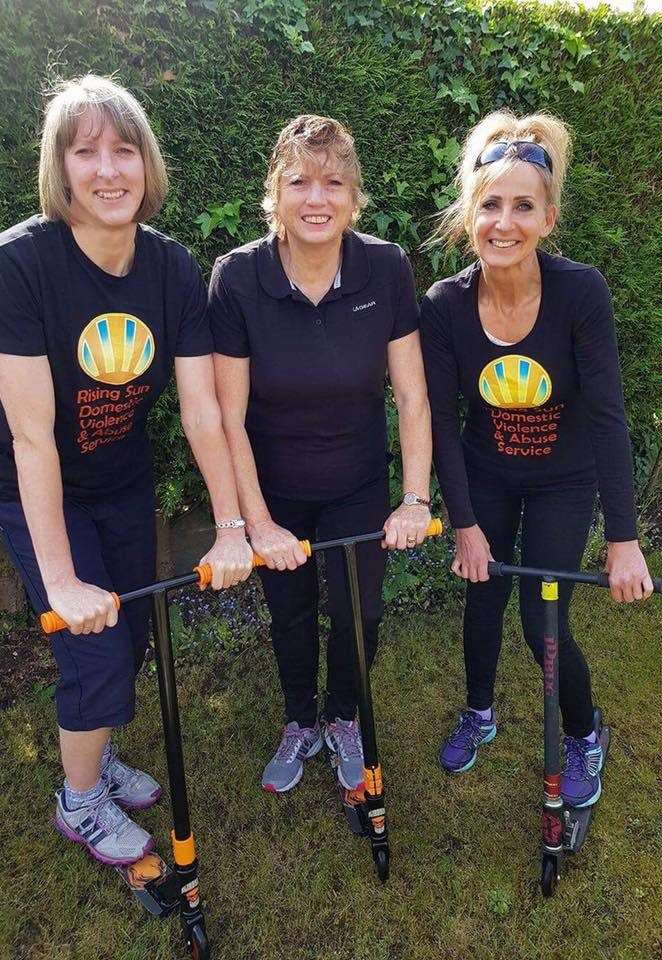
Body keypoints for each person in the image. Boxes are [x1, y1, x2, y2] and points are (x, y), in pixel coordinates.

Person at [0, 75, 253, 866]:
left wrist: (231, 527)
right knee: (90, 651)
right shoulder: (15, 265)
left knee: (127, 642)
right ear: (60, 172)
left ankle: (95, 756)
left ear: (146, 163)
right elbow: (32, 438)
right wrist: (59, 582)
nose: (107, 169)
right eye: (84, 151)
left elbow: (202, 411)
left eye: (123, 149)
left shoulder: (169, 268)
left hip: (121, 476)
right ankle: (79, 800)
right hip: (36, 483)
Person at [420, 110, 653, 807]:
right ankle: (479, 711)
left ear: (549, 217)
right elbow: (440, 419)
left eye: (523, 206)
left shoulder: (581, 293)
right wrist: (463, 524)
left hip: (562, 477)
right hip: (485, 471)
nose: (504, 222)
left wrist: (623, 539)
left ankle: (585, 732)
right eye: (489, 204)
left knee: (540, 616)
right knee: (481, 597)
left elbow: (609, 419)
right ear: (469, 215)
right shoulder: (444, 305)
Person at [210, 115, 432, 794]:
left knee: (360, 612)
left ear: (353, 196)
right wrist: (257, 523)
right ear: (274, 194)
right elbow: (227, 415)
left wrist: (415, 498)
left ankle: (342, 717)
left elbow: (413, 395)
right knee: (291, 612)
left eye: (333, 182)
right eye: (299, 180)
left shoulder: (386, 267)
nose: (316, 198)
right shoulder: (239, 277)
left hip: (357, 482)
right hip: (274, 488)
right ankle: (299, 719)